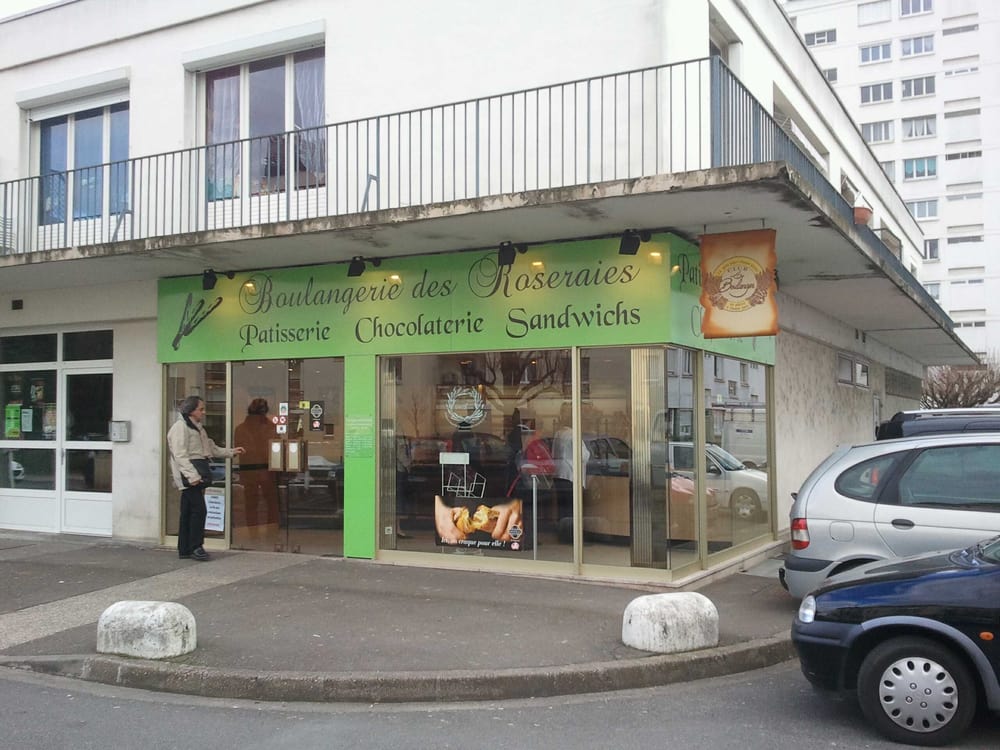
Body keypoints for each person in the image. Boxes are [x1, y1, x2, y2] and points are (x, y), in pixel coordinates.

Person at [167, 395, 245, 561]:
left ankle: (185, 548)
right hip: (190, 476)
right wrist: (192, 476)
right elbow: (180, 455)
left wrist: (231, 452)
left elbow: (211, 448)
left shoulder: (198, 428)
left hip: (193, 474)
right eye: (200, 409)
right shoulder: (180, 428)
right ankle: (196, 546)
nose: (203, 412)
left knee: (187, 511)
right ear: (191, 410)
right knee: (199, 510)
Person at [234, 398, 278, 536]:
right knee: (271, 504)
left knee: (251, 505)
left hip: (249, 471)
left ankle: (253, 534)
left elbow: (242, 451)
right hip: (266, 470)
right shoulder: (270, 427)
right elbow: (275, 449)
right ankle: (271, 533)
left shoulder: (240, 429)